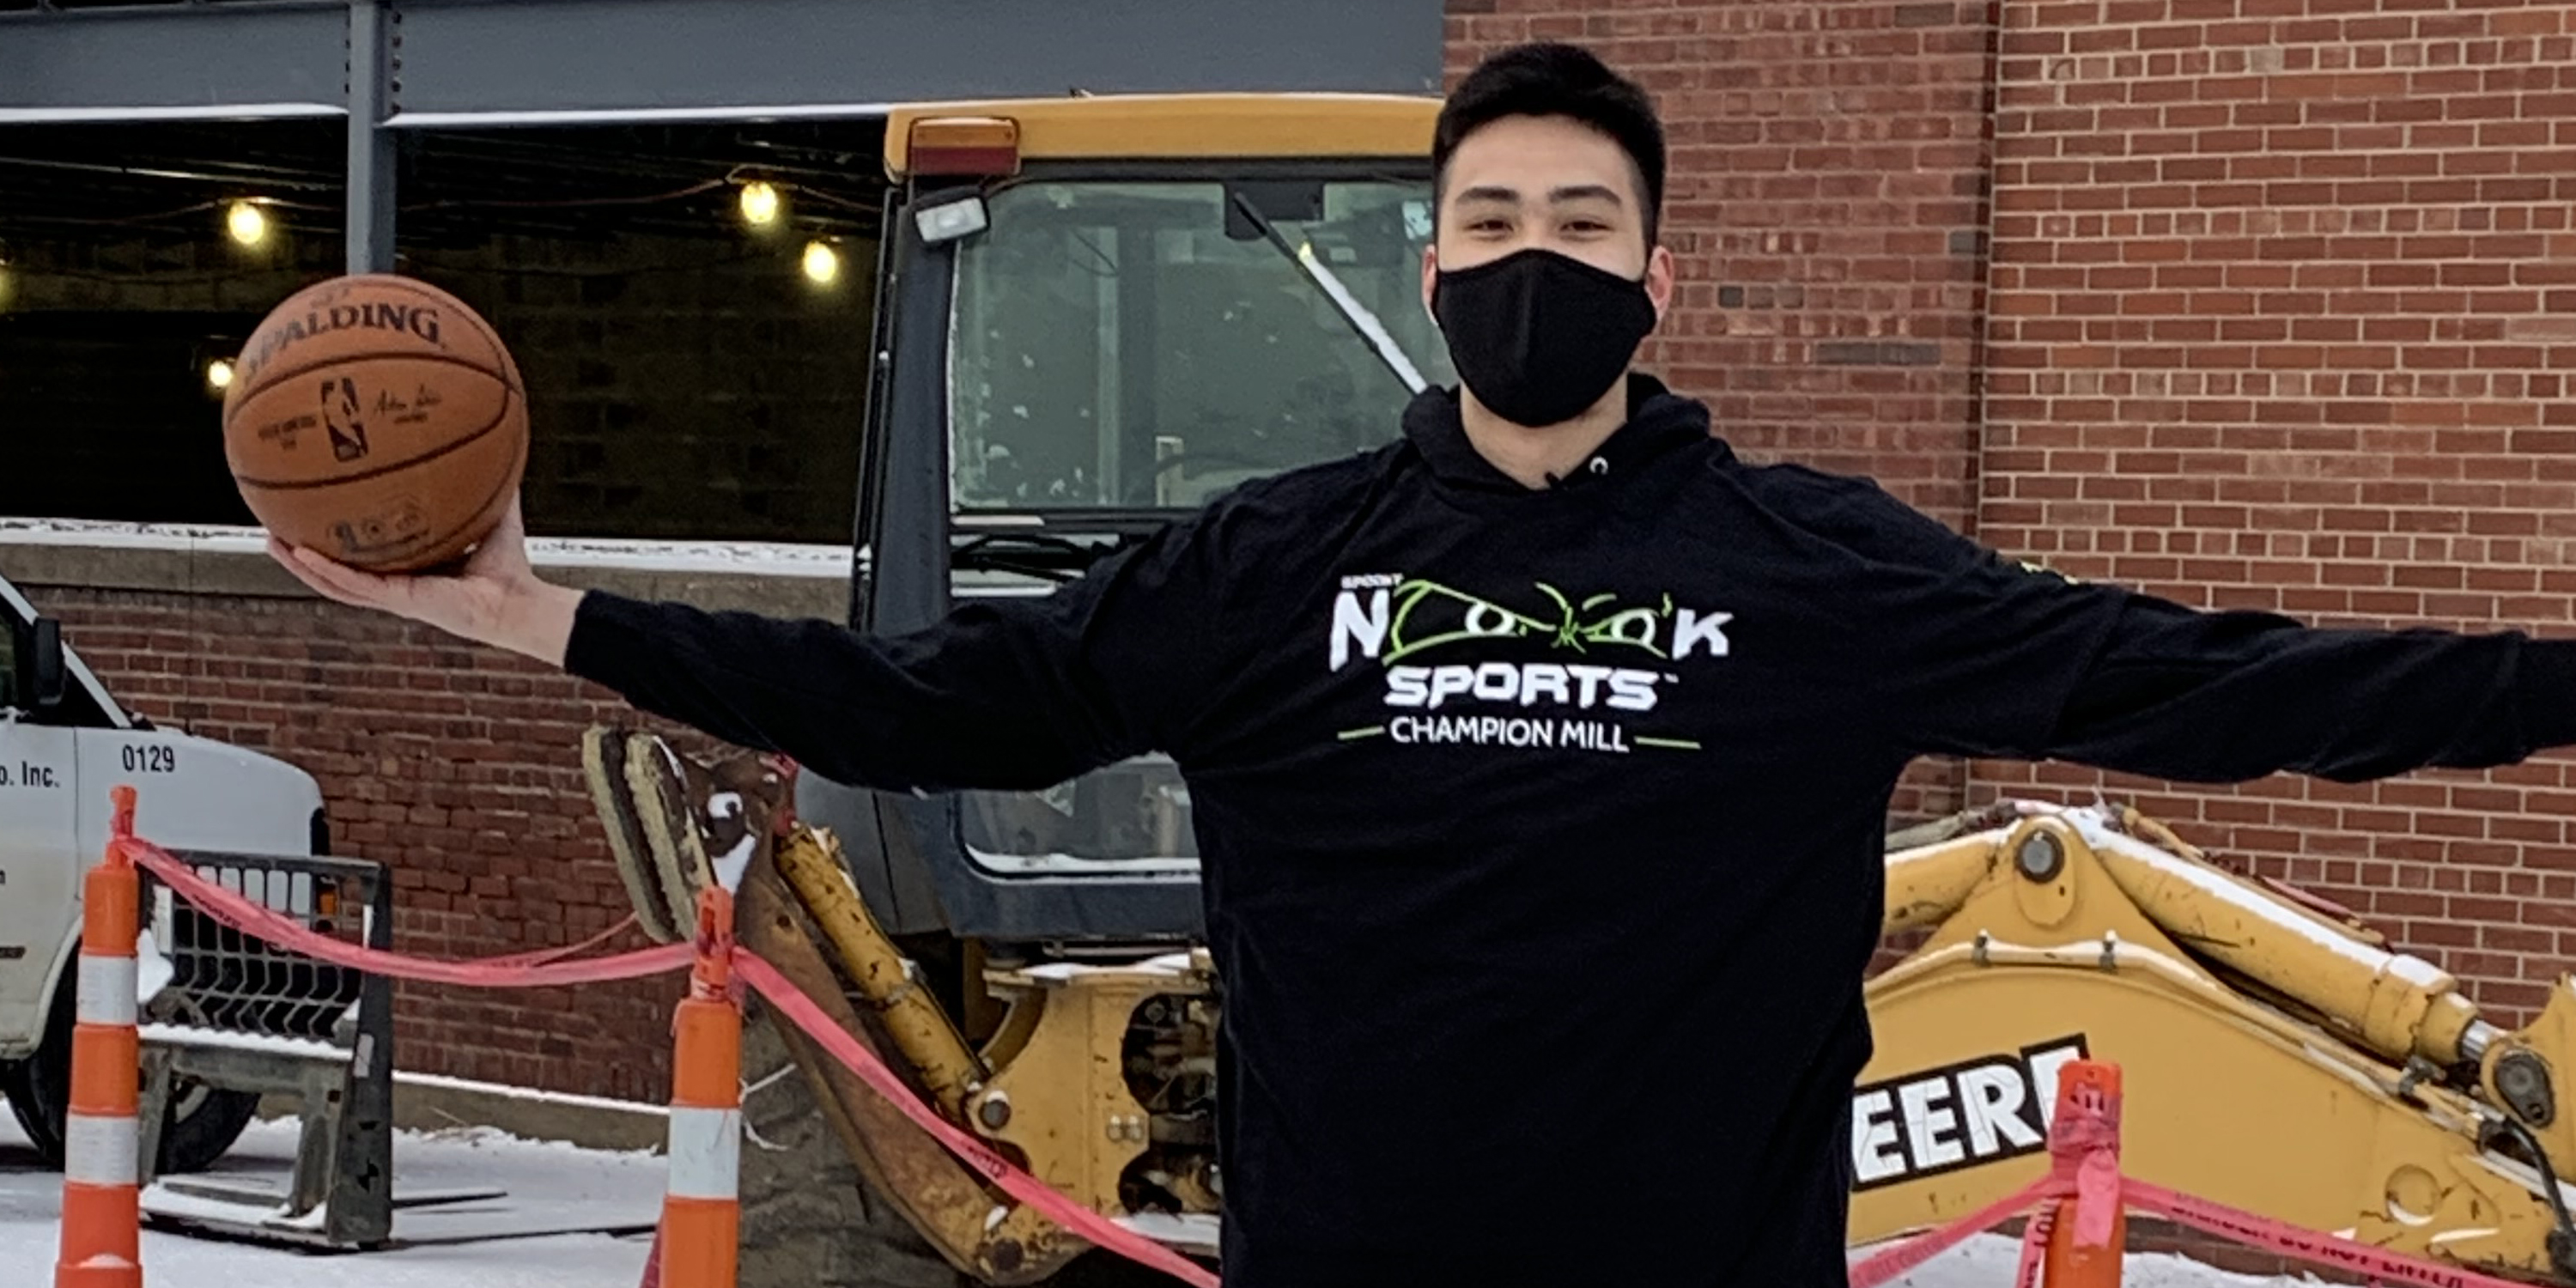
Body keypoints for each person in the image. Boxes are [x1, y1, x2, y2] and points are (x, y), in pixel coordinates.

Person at [273, 41, 2576, 1288]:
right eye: (1492, 222)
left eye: (1580, 223)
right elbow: (940, 704)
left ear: (1652, 272)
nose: (1531, 260)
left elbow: (2227, 682)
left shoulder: (1816, 573)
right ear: (1440, 257)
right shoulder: (1280, 566)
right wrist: (534, 608)